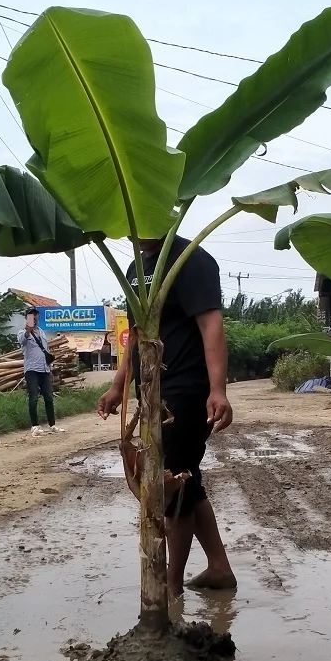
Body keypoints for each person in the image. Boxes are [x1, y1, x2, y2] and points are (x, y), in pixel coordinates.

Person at [97, 236, 235, 597]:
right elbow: (138, 336)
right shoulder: (135, 270)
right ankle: (218, 567)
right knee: (187, 481)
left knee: (168, 486)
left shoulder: (191, 259)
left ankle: (169, 590)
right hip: (152, 390)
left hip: (187, 389)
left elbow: (211, 326)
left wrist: (217, 389)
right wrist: (118, 385)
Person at [18, 307, 63, 437]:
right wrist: (28, 329)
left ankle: (52, 425)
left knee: (49, 397)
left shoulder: (42, 332)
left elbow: (46, 350)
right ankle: (35, 426)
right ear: (27, 318)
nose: (35, 319)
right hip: (31, 369)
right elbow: (22, 340)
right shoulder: (22, 332)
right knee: (33, 397)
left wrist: (50, 369)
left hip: (44, 368)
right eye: (32, 317)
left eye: (36, 317)